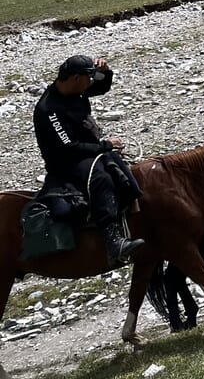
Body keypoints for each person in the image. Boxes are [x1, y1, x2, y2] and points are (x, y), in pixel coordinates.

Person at [33, 54, 145, 265]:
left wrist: (105, 72)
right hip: (66, 162)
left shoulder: (75, 91)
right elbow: (68, 148)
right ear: (76, 78)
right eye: (88, 78)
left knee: (122, 170)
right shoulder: (49, 110)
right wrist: (105, 146)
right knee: (101, 178)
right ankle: (113, 242)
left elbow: (101, 87)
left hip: (87, 150)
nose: (90, 82)